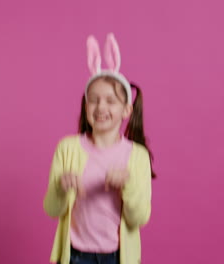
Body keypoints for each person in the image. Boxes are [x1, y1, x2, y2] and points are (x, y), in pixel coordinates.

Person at [44, 33, 156, 264]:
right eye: (93, 100)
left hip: (117, 257)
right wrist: (61, 186)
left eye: (110, 100)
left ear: (126, 110)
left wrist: (128, 185)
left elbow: (138, 218)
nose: (100, 106)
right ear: (85, 107)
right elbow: (52, 210)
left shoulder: (137, 156)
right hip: (75, 255)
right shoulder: (68, 148)